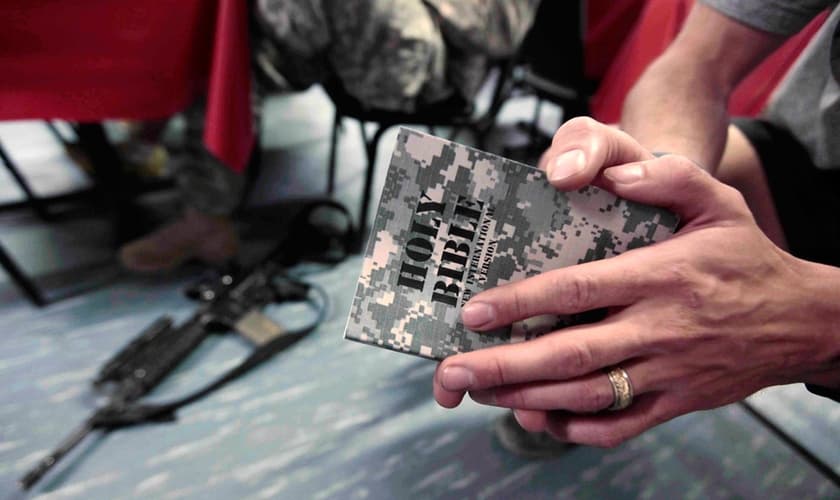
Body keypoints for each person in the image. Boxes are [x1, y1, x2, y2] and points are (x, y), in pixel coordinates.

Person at [432, 0, 840, 449]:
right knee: (587, 278)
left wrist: (814, 324)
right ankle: (594, 354)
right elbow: (694, 64)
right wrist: (657, 199)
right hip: (813, 166)